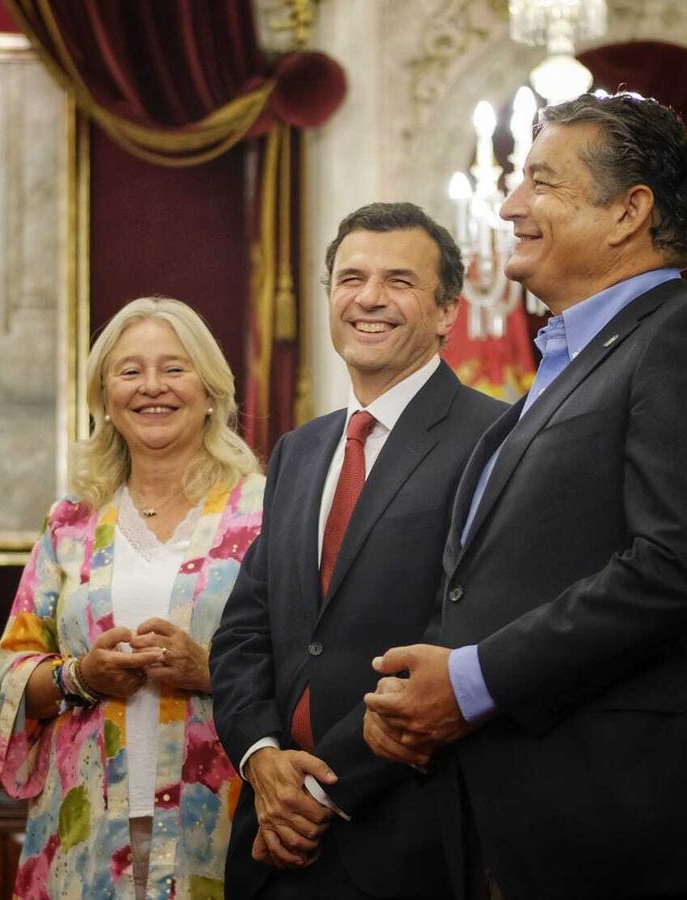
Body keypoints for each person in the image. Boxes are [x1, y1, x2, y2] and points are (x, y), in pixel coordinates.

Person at [361, 93, 687, 900]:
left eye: (541, 184)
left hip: (617, 835)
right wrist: (418, 699)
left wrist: (472, 680)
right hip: (491, 829)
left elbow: (680, 565)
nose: (510, 205)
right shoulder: (550, 378)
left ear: (629, 212)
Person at [210, 202, 506, 899]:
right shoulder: (298, 451)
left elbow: (463, 634)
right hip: (270, 839)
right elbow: (246, 633)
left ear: (446, 312)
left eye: (399, 280)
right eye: (351, 278)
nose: (369, 298)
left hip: (405, 833)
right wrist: (262, 759)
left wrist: (315, 787)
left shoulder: (495, 441)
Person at [0, 297, 264, 899]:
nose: (152, 387)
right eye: (130, 371)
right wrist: (81, 676)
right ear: (106, 398)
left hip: (222, 821)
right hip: (86, 830)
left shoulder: (265, 512)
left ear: (211, 389)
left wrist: (209, 668)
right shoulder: (71, 522)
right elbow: (11, 671)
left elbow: (306, 661)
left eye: (174, 367)